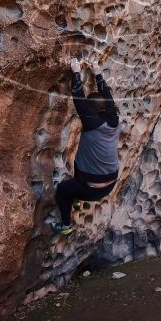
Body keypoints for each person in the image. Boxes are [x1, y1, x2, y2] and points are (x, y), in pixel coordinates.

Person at [52, 57, 121, 235]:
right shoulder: (114, 118)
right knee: (80, 159)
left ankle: (66, 227)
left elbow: (79, 98)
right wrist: (97, 71)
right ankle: (76, 198)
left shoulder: (92, 123)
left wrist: (75, 71)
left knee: (62, 190)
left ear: (91, 112)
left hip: (91, 190)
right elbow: (107, 95)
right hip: (111, 182)